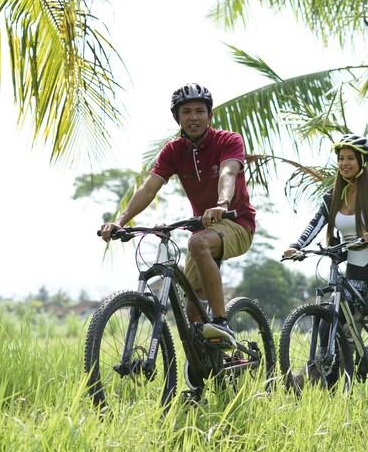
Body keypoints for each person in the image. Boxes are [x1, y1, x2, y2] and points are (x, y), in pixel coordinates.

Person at [99, 83, 256, 346]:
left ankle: (221, 322)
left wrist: (221, 203)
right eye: (186, 112)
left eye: (199, 111)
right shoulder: (174, 151)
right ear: (177, 118)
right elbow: (149, 188)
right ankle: (201, 374)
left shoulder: (229, 141)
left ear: (210, 116)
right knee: (192, 309)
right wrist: (120, 220)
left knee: (197, 242)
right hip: (203, 230)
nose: (193, 117)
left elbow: (228, 173)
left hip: (236, 224)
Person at [282, 133, 368, 400]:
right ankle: (330, 378)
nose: (344, 163)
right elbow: (315, 224)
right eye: (340, 158)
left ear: (361, 160)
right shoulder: (332, 196)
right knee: (330, 318)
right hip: (354, 272)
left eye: (350, 158)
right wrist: (297, 245)